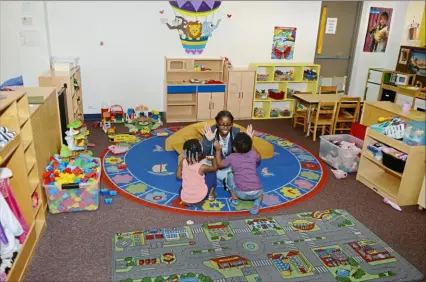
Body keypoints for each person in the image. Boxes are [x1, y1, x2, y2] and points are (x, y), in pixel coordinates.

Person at [201, 111, 255, 201]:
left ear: (232, 124)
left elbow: (246, 153)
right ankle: (211, 188)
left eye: (228, 125)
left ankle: (231, 184)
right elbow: (205, 153)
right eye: (222, 124)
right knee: (200, 166)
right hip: (214, 163)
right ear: (217, 124)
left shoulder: (236, 132)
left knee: (241, 170)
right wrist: (208, 141)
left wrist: (248, 141)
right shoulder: (210, 131)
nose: (225, 127)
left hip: (229, 164)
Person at [213, 132, 263, 215]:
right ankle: (257, 202)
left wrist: (218, 150)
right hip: (257, 192)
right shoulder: (253, 154)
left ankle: (234, 198)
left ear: (234, 148)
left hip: (241, 194)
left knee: (229, 175)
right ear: (250, 146)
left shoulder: (232, 157)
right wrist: (250, 141)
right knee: (261, 194)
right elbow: (259, 156)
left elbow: (219, 165)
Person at [176, 139, 217, 206]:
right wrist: (213, 159)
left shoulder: (182, 161)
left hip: (185, 197)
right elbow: (215, 168)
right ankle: (211, 194)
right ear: (199, 153)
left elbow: (178, 176)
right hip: (200, 197)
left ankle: (189, 200)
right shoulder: (202, 167)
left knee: (182, 187)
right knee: (212, 173)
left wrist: (188, 178)